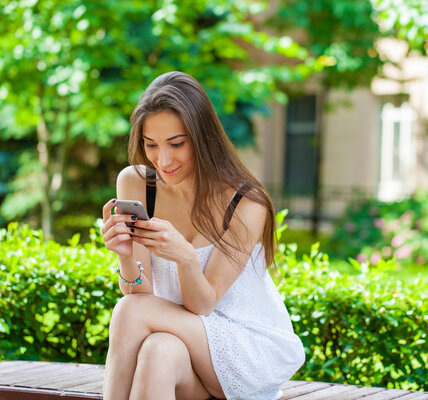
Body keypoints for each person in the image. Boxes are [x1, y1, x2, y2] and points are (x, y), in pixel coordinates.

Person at [100, 71, 305, 400]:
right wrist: (125, 253)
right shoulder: (137, 183)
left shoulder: (246, 204)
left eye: (176, 144)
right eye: (151, 145)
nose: (163, 160)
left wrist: (183, 256)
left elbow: (202, 304)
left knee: (128, 311)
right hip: (178, 340)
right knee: (158, 351)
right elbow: (141, 291)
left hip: (243, 348)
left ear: (202, 138)